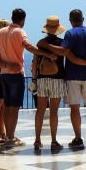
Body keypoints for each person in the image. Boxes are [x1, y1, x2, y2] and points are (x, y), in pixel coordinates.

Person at [42, 9, 86, 149]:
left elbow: (64, 52)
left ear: (70, 20)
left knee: (74, 108)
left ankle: (78, 138)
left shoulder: (70, 34)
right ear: (83, 19)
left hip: (72, 76)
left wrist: (47, 46)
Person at [0, 8, 45, 147]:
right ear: (23, 20)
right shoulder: (20, 32)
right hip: (16, 75)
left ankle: (9, 136)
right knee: (14, 108)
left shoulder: (1, 32)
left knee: (7, 106)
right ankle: (10, 138)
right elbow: (27, 46)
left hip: (3, 75)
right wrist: (44, 53)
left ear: (12, 17)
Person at [32, 15, 67, 151]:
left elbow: (35, 63)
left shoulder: (40, 43)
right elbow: (64, 55)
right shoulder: (62, 43)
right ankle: (53, 141)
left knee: (40, 111)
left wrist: (34, 79)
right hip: (57, 79)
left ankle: (37, 140)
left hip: (41, 79)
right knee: (54, 112)